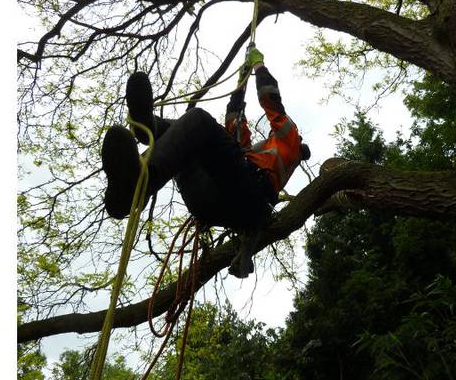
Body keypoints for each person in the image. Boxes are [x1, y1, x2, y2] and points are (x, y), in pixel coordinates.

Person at [101, 46, 310, 255]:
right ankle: (147, 136)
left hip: (249, 196)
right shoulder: (259, 156)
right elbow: (235, 125)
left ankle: (142, 176)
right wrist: (241, 83)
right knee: (188, 137)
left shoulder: (290, 140)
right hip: (212, 199)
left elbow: (271, 101)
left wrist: (259, 66)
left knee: (198, 120)